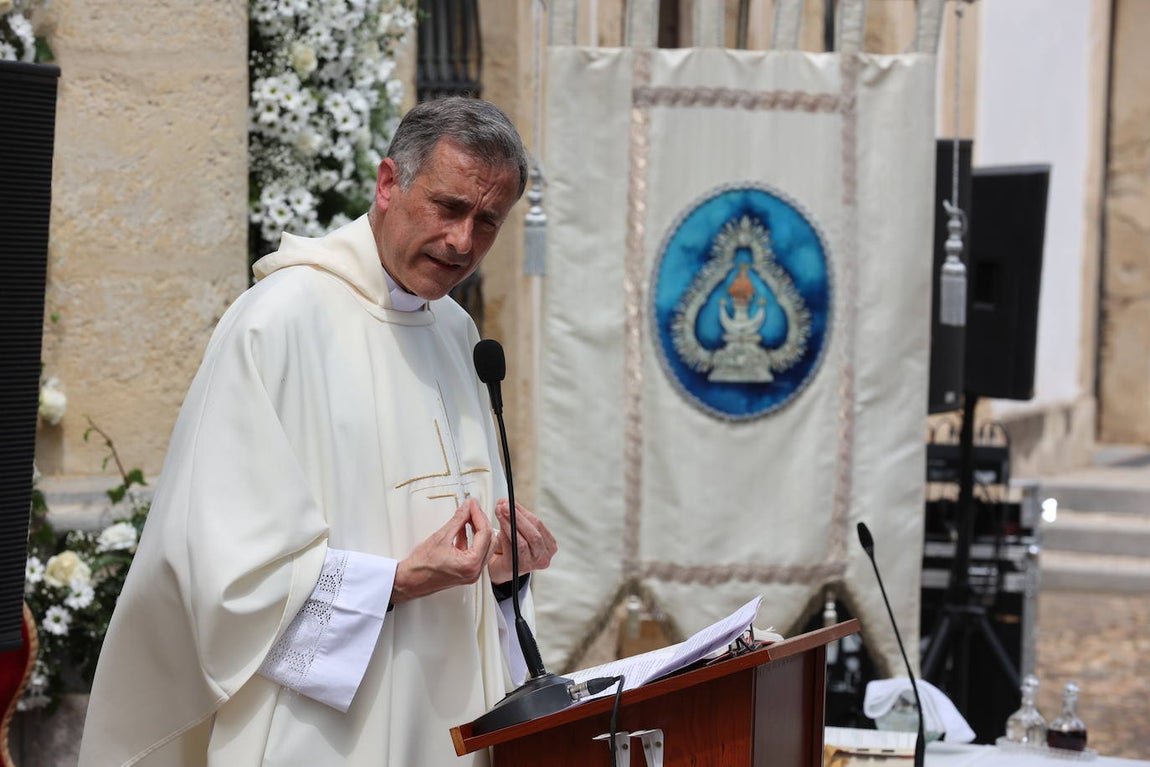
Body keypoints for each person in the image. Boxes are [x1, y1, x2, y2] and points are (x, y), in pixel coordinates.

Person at [78, 97, 559, 767]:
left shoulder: (455, 334)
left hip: (448, 720)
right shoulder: (277, 323)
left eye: (487, 222)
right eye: (449, 208)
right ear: (389, 183)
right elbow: (220, 574)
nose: (462, 242)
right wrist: (392, 581)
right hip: (323, 731)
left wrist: (503, 575)